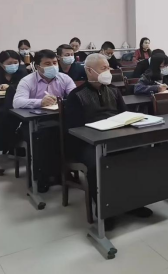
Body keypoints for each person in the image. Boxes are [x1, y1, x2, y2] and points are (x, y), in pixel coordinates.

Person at [65, 53, 152, 230]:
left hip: (115, 136)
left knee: (140, 153)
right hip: (88, 143)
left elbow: (125, 115)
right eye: (103, 68)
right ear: (90, 71)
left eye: (108, 67)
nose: (108, 71)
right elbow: (75, 128)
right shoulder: (76, 95)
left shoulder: (113, 90)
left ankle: (134, 203)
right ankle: (105, 210)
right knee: (98, 163)